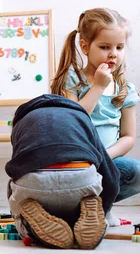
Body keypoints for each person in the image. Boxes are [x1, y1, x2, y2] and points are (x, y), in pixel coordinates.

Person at [51, 8, 140, 226]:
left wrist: (105, 157)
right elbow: (72, 121)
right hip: (76, 161)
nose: (113, 54)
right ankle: (78, 209)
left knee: (135, 171)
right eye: (104, 47)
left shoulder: (125, 89)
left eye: (119, 47)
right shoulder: (72, 79)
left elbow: (128, 136)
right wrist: (98, 87)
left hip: (107, 160)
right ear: (84, 46)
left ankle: (99, 207)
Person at [6, 94, 119, 249]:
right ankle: (89, 216)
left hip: (34, 184)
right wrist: (104, 209)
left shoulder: (22, 123)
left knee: (14, 188)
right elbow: (110, 174)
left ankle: (29, 228)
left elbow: (15, 169)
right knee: (86, 197)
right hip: (81, 178)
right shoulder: (81, 117)